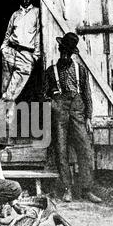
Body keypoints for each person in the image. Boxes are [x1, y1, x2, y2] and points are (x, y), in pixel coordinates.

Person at [43, 32, 102, 203]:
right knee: (61, 150)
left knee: (84, 149)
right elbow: (43, 94)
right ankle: (67, 189)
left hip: (78, 112)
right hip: (59, 113)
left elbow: (87, 95)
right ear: (60, 49)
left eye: (68, 53)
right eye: (63, 52)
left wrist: (89, 117)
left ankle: (86, 190)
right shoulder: (50, 71)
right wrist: (53, 103)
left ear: (72, 53)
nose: (65, 56)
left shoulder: (80, 70)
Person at [0, 0, 40, 102]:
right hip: (10, 52)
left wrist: (35, 55)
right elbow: (8, 33)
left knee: (12, 92)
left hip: (26, 54)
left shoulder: (37, 12)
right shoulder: (15, 15)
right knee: (5, 88)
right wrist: (4, 48)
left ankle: (0, 118)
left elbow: (38, 34)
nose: (26, 0)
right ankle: (6, 119)